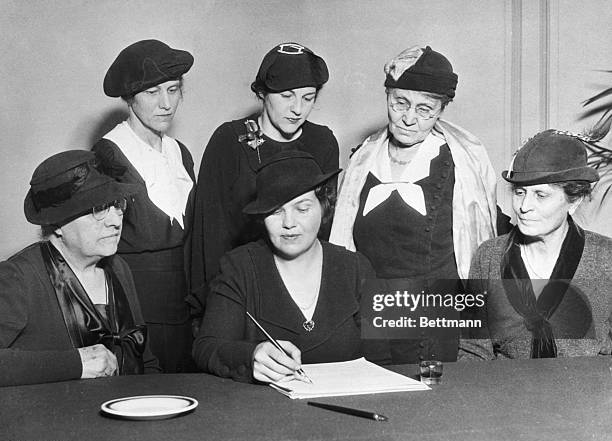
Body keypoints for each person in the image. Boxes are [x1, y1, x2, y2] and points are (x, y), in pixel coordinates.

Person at [330, 46, 499, 364]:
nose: (409, 118)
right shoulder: (362, 160)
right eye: (400, 104)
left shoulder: (461, 163)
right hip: (369, 315)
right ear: (387, 97)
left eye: (426, 109)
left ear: (442, 110)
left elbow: (484, 243)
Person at [192, 153, 375, 383]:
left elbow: (386, 358)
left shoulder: (356, 267)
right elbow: (206, 347)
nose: (289, 223)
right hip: (267, 413)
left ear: (324, 206)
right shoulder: (239, 267)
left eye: (302, 208)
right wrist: (250, 356)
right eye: (276, 211)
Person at [189, 42, 339, 312]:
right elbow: (209, 235)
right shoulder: (229, 140)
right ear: (262, 93)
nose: (297, 109)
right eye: (286, 96)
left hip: (302, 288)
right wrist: (213, 307)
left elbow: (324, 228)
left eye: (308, 98)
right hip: (239, 287)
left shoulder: (323, 141)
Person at [0, 150, 160, 387]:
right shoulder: (19, 278)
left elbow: (147, 362)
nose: (115, 221)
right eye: (99, 209)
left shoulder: (119, 268)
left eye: (117, 205)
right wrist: (76, 364)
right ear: (57, 225)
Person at [460, 130, 612, 359]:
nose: (524, 206)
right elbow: (473, 350)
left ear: (575, 200)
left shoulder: (605, 258)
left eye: (541, 195)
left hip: (585, 391)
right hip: (505, 391)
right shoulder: (489, 256)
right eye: (520, 192)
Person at [92, 39, 196, 372]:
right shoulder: (110, 152)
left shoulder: (180, 152)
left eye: (173, 90)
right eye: (153, 93)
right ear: (129, 98)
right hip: (139, 303)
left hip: (186, 304)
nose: (166, 104)